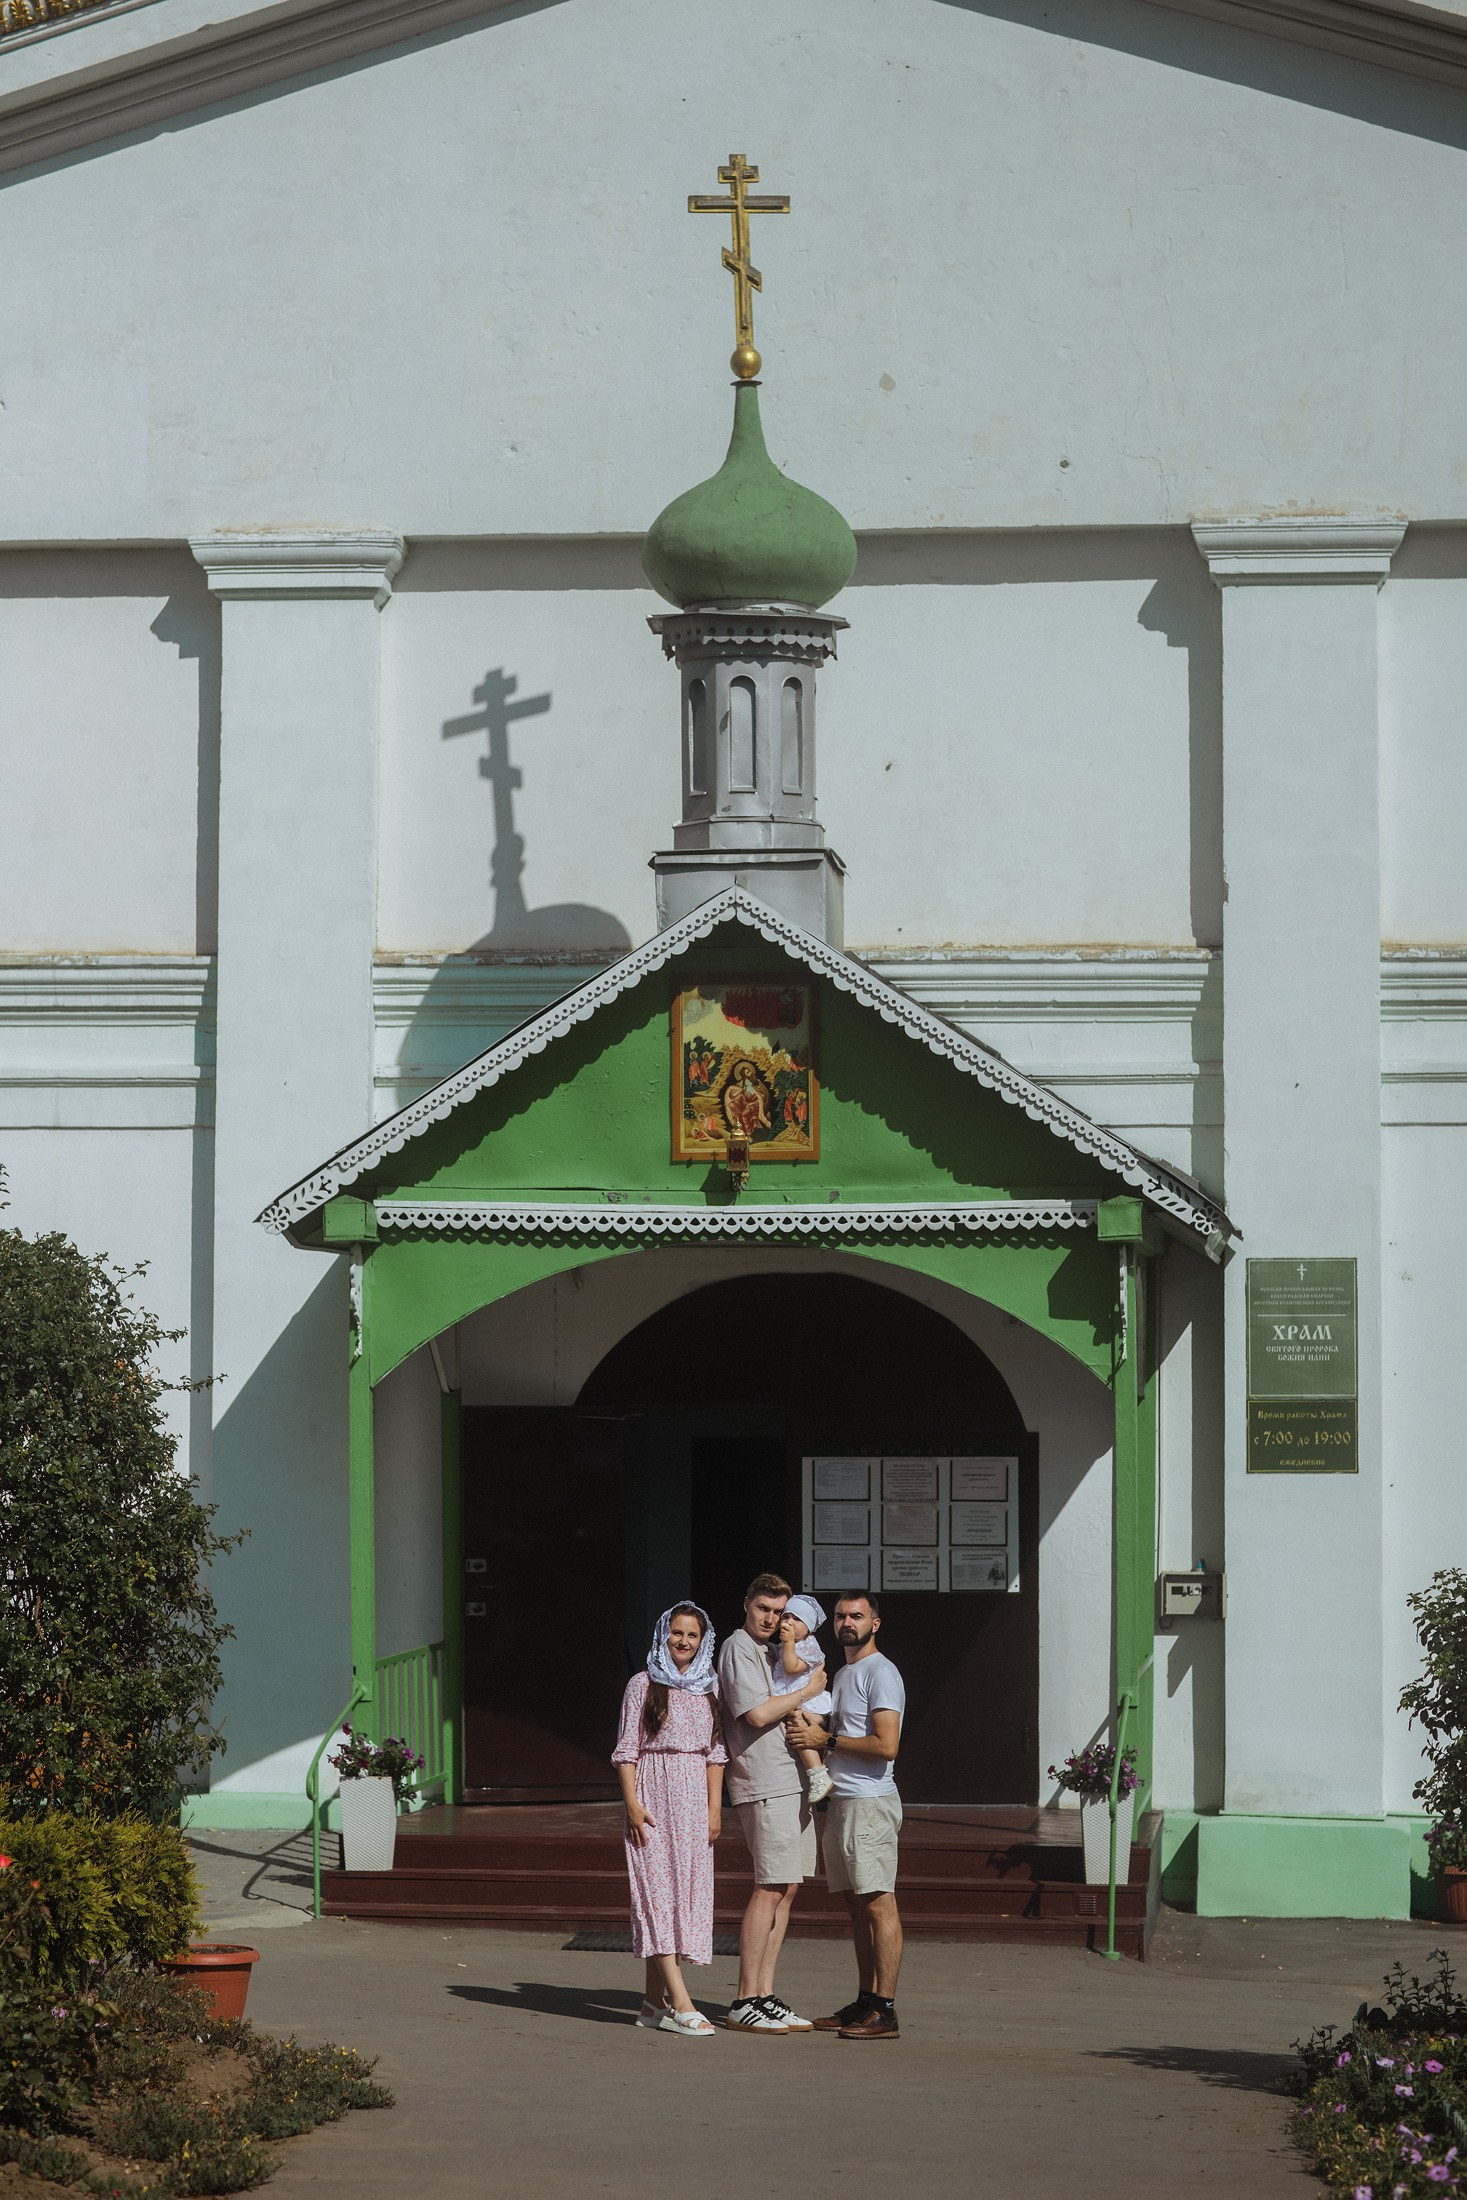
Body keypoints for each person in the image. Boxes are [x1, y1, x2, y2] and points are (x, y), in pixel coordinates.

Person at [785, 1590, 905, 2040]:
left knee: (878, 1903)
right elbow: (841, 1728)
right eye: (840, 1616)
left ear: (875, 1623)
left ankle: (885, 2010)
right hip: (843, 1803)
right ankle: (866, 2001)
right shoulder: (843, 1672)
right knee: (857, 1909)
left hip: (870, 1803)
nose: (847, 1622)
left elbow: (886, 1745)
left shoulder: (881, 1672)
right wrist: (816, 1726)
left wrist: (827, 1741)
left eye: (856, 1615)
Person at [717, 1571, 827, 2033]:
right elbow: (758, 1713)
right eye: (763, 1608)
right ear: (746, 1603)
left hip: (794, 1778)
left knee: (788, 1887)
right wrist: (807, 1692)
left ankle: (764, 1993)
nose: (770, 1618)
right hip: (764, 1780)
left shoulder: (777, 1649)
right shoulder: (738, 1647)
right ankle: (744, 1998)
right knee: (769, 1886)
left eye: (779, 1612)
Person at [612, 1602, 726, 2037]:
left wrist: (714, 1809)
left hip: (694, 1802)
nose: (684, 1641)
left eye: (692, 1635)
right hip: (653, 1800)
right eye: (677, 1633)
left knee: (681, 1898)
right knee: (656, 1897)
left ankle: (651, 2004)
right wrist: (632, 1804)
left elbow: (715, 1754)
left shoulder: (708, 1687)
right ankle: (681, 2003)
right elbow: (626, 1751)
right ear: (664, 1635)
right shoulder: (642, 1684)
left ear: (702, 1641)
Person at [771, 1593, 834, 1803]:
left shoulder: (807, 1645)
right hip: (797, 1697)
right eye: (786, 1616)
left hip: (807, 1702)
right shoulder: (789, 1645)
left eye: (797, 1619)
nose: (789, 1622)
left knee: (799, 1730)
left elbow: (791, 1668)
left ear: (809, 1628)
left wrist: (789, 1643)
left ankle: (818, 1774)